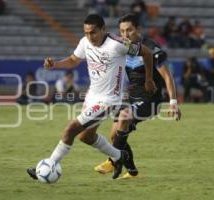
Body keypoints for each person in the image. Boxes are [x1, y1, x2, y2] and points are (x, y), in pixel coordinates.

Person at [27, 14, 156, 180]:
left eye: (93, 32)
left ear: (103, 29)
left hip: (109, 100)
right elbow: (74, 60)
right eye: (86, 32)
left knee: (71, 129)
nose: (89, 36)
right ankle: (119, 156)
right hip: (92, 97)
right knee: (85, 136)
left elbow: (147, 53)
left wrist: (149, 79)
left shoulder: (118, 44)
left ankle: (49, 165)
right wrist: (55, 64)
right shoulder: (85, 42)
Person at [94, 14, 182, 178]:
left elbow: (167, 77)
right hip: (131, 99)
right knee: (115, 134)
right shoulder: (121, 48)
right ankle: (132, 172)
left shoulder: (152, 49)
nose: (126, 35)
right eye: (122, 31)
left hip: (151, 100)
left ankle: (113, 161)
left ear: (138, 29)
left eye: (129, 30)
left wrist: (173, 102)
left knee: (124, 119)